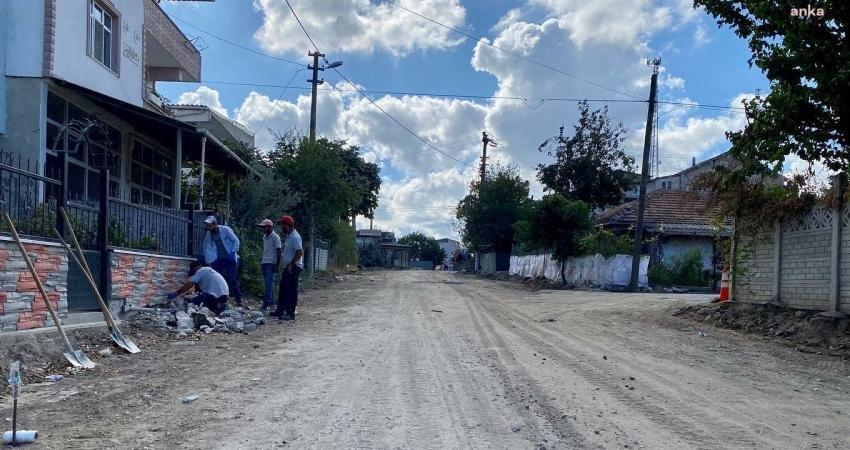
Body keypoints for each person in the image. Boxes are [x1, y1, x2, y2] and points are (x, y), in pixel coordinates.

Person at [201, 215, 242, 305]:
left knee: (232, 279)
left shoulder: (226, 230)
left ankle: (239, 300)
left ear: (215, 224)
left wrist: (233, 251)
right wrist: (209, 260)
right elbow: (206, 246)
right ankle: (218, 299)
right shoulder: (209, 234)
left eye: (210, 225)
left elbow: (236, 241)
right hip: (219, 258)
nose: (208, 228)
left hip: (230, 257)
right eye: (207, 226)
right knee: (216, 278)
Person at [275, 215, 303, 321]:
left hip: (293, 267)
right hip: (289, 266)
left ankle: (290, 313)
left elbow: (300, 252)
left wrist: (291, 264)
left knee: (291, 290)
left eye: (282, 224)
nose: (281, 226)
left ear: (287, 225)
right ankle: (280, 311)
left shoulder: (295, 237)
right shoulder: (289, 235)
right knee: (283, 289)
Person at [257, 218, 282, 311]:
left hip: (271, 263)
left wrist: (277, 264)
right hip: (265, 262)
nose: (263, 229)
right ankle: (272, 303)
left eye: (264, 227)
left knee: (268, 284)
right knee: (268, 284)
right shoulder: (265, 236)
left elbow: (279, 251)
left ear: (270, 227)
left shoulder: (275, 237)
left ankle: (266, 304)